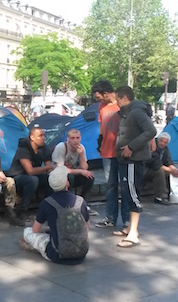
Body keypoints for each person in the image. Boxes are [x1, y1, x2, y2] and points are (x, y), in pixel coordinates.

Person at [18, 166, 90, 265]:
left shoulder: (47, 203)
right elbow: (86, 227)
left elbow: (35, 229)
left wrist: (47, 229)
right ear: (67, 183)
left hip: (57, 254)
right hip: (82, 253)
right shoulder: (80, 200)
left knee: (27, 231)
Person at [113, 85, 156, 248]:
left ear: (125, 98)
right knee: (129, 192)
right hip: (126, 159)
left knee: (132, 194)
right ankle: (131, 228)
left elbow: (151, 130)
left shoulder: (136, 112)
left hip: (132, 159)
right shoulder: (128, 113)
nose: (116, 103)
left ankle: (133, 234)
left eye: (117, 99)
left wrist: (131, 147)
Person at [92, 80, 124, 229]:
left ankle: (126, 220)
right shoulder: (101, 106)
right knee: (110, 185)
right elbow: (102, 125)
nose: (97, 100)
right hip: (107, 150)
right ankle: (110, 217)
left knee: (124, 185)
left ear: (106, 94)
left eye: (98, 97)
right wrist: (100, 140)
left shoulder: (121, 103)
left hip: (122, 150)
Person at [8, 127, 56, 225]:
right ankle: (23, 211)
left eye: (44, 135)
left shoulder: (44, 148)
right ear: (32, 137)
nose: (43, 138)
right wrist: (49, 167)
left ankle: (47, 208)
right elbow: (30, 171)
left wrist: (53, 170)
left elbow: (48, 168)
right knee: (32, 180)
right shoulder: (23, 148)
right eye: (40, 136)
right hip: (18, 177)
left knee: (50, 179)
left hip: (34, 177)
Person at [51, 128, 97, 216]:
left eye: (77, 138)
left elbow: (84, 168)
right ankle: (69, 204)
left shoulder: (81, 148)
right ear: (67, 139)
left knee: (89, 176)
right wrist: (80, 171)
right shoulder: (61, 147)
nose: (75, 141)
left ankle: (84, 204)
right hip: (59, 176)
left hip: (73, 173)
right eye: (72, 138)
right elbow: (60, 170)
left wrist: (82, 156)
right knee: (70, 177)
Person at [144, 132, 178, 205]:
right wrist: (171, 170)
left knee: (170, 172)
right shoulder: (152, 146)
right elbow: (155, 163)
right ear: (158, 140)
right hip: (145, 170)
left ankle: (171, 193)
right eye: (161, 141)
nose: (163, 143)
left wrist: (174, 169)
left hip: (154, 169)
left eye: (165, 142)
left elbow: (169, 161)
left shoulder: (165, 149)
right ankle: (160, 197)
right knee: (160, 172)